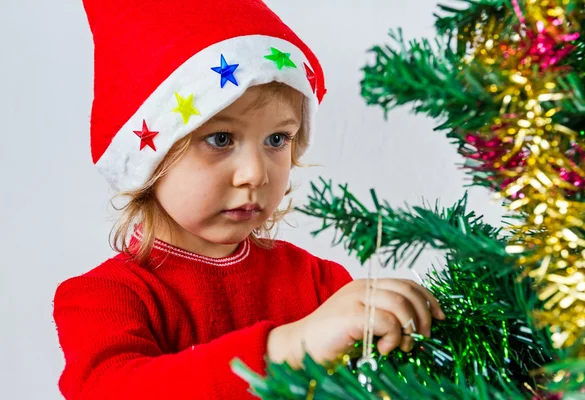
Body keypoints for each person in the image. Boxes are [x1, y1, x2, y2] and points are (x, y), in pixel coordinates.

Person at [52, 0, 446, 398]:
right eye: (220, 139)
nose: (257, 173)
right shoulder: (102, 298)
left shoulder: (319, 284)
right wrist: (288, 349)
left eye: (277, 140)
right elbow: (113, 389)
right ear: (148, 160)